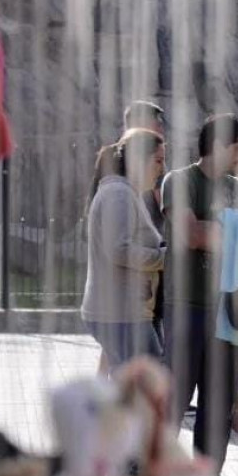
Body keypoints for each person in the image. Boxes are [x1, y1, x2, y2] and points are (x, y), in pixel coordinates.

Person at [162, 114, 238, 476]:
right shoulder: (180, 181)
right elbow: (191, 234)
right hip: (186, 305)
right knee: (175, 394)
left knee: (218, 400)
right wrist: (230, 233)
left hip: (230, 309)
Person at [81, 129, 167, 368]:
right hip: (121, 314)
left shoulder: (126, 193)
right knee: (147, 385)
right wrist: (164, 258)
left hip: (127, 312)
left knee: (134, 388)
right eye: (158, 160)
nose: (162, 168)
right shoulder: (118, 194)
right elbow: (119, 249)